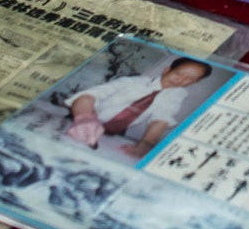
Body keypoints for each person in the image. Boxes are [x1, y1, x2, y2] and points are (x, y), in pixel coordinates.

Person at [65, 56, 213, 157]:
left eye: (191, 79)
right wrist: (84, 117)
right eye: (179, 73)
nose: (181, 80)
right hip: (82, 117)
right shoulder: (133, 82)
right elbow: (88, 96)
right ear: (167, 70)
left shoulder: (176, 95)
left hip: (113, 132)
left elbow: (161, 119)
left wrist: (147, 143)